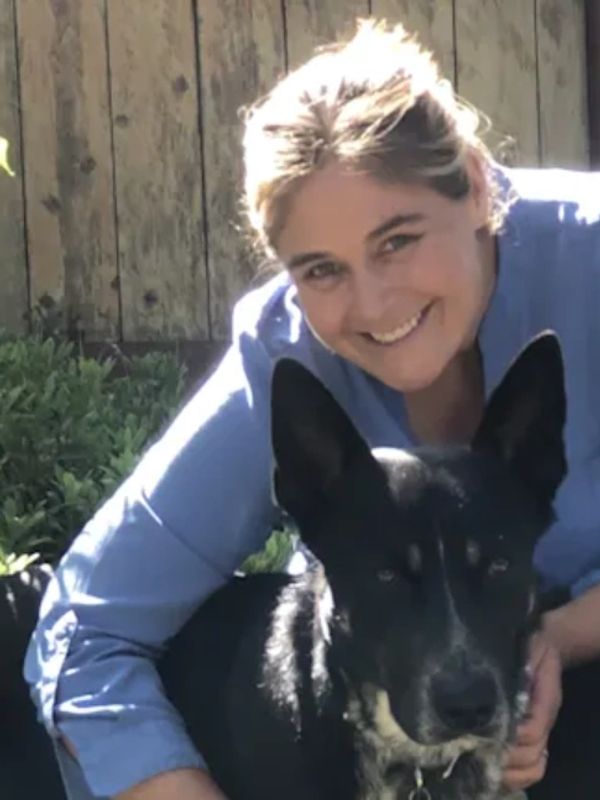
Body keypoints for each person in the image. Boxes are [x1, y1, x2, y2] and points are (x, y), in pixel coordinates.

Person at [24, 18, 600, 800]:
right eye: (322, 269)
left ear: (472, 183)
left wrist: (560, 642)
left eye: (397, 241)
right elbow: (85, 627)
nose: (373, 303)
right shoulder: (289, 357)